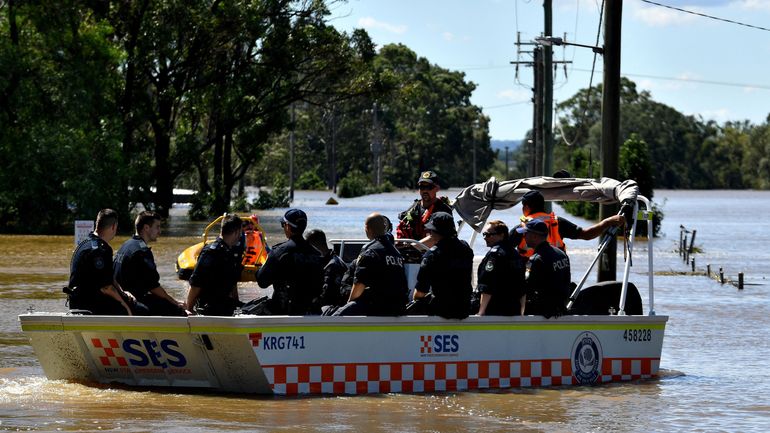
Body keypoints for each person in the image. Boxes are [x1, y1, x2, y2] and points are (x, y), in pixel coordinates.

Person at [65, 209, 143, 315]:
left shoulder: (85, 243)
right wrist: (124, 305)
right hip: (88, 306)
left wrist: (122, 293)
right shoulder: (100, 250)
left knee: (130, 302)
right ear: (113, 227)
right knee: (140, 309)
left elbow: (108, 278)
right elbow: (106, 287)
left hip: (77, 302)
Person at [334, 212, 409, 316]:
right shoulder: (397, 253)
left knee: (334, 314)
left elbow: (358, 287)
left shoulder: (370, 252)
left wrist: (348, 306)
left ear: (367, 229)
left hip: (377, 307)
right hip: (397, 308)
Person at [114, 211, 187, 316]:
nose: (159, 231)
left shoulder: (126, 245)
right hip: (133, 302)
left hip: (121, 297)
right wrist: (175, 302)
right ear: (146, 228)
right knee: (176, 309)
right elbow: (153, 287)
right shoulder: (142, 252)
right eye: (157, 227)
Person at [511, 190, 626, 257]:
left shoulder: (522, 228)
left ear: (526, 207)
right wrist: (607, 221)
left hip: (531, 279)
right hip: (557, 279)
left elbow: (503, 249)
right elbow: (586, 234)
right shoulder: (557, 222)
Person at [256, 209, 324, 315]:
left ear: (287, 226)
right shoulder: (317, 254)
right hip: (311, 311)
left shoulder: (279, 252)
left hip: (283, 312)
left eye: (283, 224)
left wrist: (260, 269)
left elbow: (262, 281)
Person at [412, 212, 474, 319]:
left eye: (431, 230)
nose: (429, 233)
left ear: (436, 231)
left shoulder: (432, 255)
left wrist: (414, 302)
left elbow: (421, 292)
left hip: (442, 310)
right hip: (464, 308)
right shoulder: (466, 249)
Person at [186, 214, 244, 316]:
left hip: (225, 303)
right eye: (240, 232)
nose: (241, 236)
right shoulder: (212, 252)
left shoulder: (232, 252)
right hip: (210, 307)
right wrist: (189, 310)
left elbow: (233, 283)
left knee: (255, 307)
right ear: (236, 232)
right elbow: (196, 283)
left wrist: (238, 306)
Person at [518, 219, 571, 318]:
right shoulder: (561, 254)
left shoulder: (536, 259)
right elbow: (566, 281)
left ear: (534, 236)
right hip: (560, 310)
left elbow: (526, 287)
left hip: (544, 313)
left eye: (525, 234)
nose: (524, 237)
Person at [475, 220, 526, 316]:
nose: (485, 238)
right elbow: (522, 285)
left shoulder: (495, 254)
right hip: (513, 310)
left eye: (488, 234)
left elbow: (487, 283)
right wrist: (521, 313)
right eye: (484, 234)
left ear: (501, 235)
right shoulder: (515, 254)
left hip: (495, 309)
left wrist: (480, 312)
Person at [396, 170, 453, 248]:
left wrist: (412, 247)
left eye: (429, 187)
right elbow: (402, 229)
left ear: (437, 188)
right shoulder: (414, 208)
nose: (425, 190)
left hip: (436, 253)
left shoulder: (443, 210)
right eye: (422, 187)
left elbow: (435, 238)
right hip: (413, 251)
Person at [305, 228, 349, 314]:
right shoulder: (329, 259)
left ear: (314, 246)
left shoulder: (332, 266)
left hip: (331, 311)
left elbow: (325, 297)